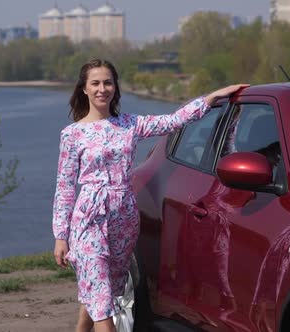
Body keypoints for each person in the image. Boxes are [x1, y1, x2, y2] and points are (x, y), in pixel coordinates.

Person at [51, 58, 248, 332]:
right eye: (95, 83)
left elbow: (173, 121)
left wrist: (211, 98)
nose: (102, 89)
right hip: (89, 221)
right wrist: (61, 235)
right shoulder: (72, 135)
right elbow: (65, 187)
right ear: (84, 89)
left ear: (115, 87)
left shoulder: (130, 124)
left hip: (123, 219)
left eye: (108, 82)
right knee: (101, 301)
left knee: (101, 291)